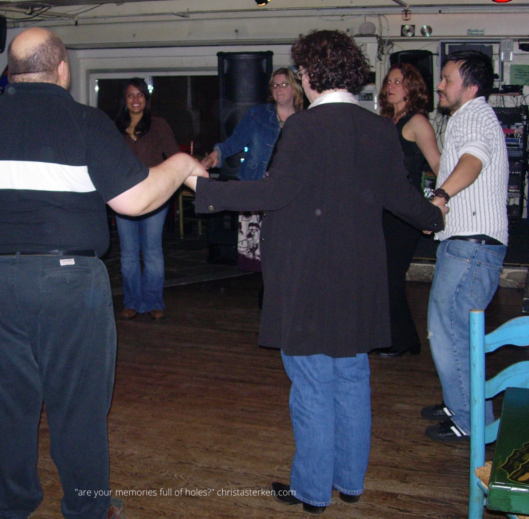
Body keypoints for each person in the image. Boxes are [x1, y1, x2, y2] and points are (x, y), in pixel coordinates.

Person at [0, 27, 205, 519]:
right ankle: (87, 507)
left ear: (10, 71)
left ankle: (13, 504)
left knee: (7, 407)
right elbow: (134, 201)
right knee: (77, 405)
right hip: (70, 282)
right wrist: (179, 164)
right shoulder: (86, 123)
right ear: (63, 70)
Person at [186, 30, 446, 514]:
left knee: (311, 383)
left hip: (307, 276)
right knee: (351, 377)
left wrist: (203, 186)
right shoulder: (379, 129)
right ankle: (349, 482)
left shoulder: (302, 128)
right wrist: (436, 213)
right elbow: (402, 197)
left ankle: (311, 491)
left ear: (307, 76)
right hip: (360, 278)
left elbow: (272, 193)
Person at [421, 50, 508, 443]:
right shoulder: (468, 116)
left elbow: (472, 163)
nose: (440, 85)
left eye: (447, 79)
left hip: (472, 247)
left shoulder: (474, 115)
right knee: (455, 331)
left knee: (451, 332)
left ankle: (471, 421)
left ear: (470, 87)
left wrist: (439, 198)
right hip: (468, 242)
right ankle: (462, 404)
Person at [202, 67, 304, 273]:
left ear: (294, 89)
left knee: (285, 246)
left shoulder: (305, 120)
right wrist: (216, 155)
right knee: (261, 250)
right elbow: (236, 141)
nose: (279, 89)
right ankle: (267, 291)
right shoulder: (258, 115)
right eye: (275, 85)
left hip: (289, 191)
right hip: (258, 187)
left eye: (284, 84)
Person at [376, 63, 442, 358]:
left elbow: (438, 166)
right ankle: (398, 338)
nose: (390, 86)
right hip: (383, 209)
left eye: (398, 81)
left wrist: (433, 205)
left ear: (411, 87)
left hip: (404, 210)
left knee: (390, 275)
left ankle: (403, 341)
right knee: (381, 274)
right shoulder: (387, 121)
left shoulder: (417, 122)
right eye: (388, 81)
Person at [114, 77, 180, 320]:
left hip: (154, 196)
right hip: (124, 197)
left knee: (152, 252)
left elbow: (174, 158)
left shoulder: (159, 125)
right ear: (124, 100)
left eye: (139, 95)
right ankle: (132, 301)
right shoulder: (115, 127)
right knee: (129, 254)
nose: (135, 99)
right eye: (130, 95)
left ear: (146, 98)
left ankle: (154, 302)